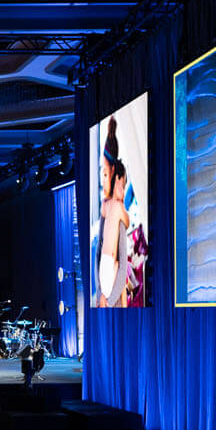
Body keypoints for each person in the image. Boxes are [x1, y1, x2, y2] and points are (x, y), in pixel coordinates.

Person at [96, 123, 130, 308]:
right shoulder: (109, 206)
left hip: (110, 268)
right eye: (121, 185)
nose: (122, 191)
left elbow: (127, 220)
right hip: (105, 268)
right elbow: (99, 247)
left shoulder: (117, 207)